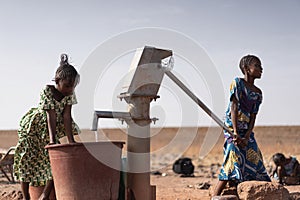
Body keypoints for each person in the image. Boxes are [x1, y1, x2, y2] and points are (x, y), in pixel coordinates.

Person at [13, 54, 80, 200]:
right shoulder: (47, 91)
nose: (70, 89)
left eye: (73, 86)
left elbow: (67, 116)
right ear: (57, 81)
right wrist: (52, 139)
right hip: (36, 128)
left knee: (52, 160)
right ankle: (26, 197)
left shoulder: (69, 94)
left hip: (55, 126)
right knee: (27, 160)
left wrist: (71, 140)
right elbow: (51, 115)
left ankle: (45, 195)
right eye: (68, 86)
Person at [213, 55, 271, 196]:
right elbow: (234, 107)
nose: (261, 69)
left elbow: (253, 116)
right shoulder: (237, 83)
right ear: (246, 68)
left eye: (261, 66)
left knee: (254, 158)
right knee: (232, 156)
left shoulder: (258, 93)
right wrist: (236, 133)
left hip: (246, 131)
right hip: (232, 127)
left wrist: (246, 136)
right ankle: (215, 196)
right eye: (257, 66)